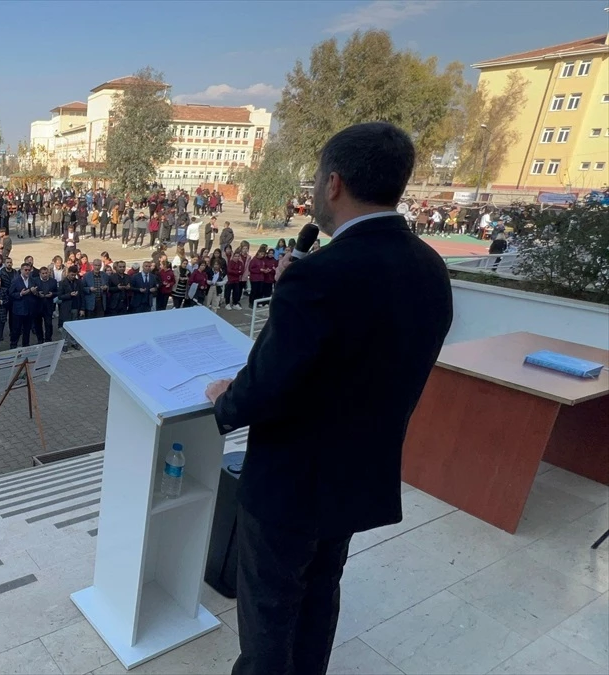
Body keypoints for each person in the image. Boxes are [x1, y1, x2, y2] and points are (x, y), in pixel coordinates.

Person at [203, 122, 453, 675]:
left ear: (333, 182)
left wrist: (225, 399)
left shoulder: (320, 277)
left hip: (291, 485)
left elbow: (269, 384)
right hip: (357, 476)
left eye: (316, 178)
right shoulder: (430, 267)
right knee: (319, 599)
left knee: (269, 615)